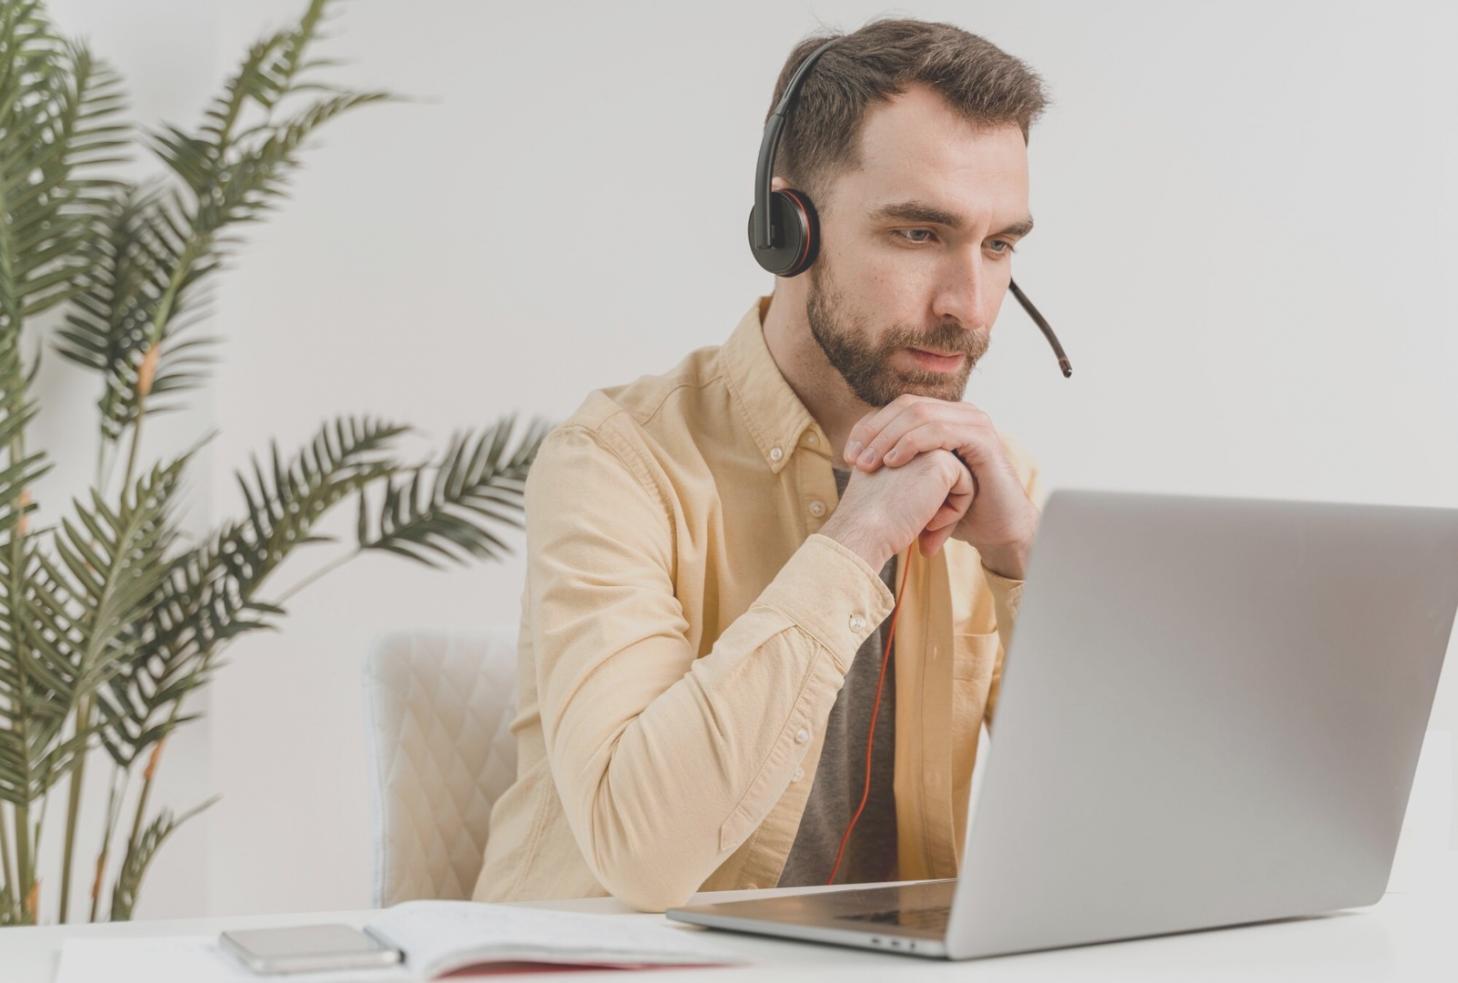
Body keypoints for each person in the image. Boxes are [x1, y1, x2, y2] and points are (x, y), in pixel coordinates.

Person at [473, 16, 1050, 913]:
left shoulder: (995, 486)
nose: (968, 304)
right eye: (916, 234)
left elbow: (1130, 830)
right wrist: (860, 538)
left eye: (999, 245)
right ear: (789, 228)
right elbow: (643, 855)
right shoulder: (618, 462)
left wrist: (1026, 564)